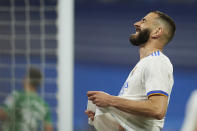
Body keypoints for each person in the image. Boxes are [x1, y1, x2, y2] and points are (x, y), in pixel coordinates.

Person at [85, 11, 176, 131]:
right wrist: (103, 119)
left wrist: (110, 101)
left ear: (157, 32)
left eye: (144, 21)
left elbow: (157, 109)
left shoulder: (157, 61)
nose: (136, 23)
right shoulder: (145, 64)